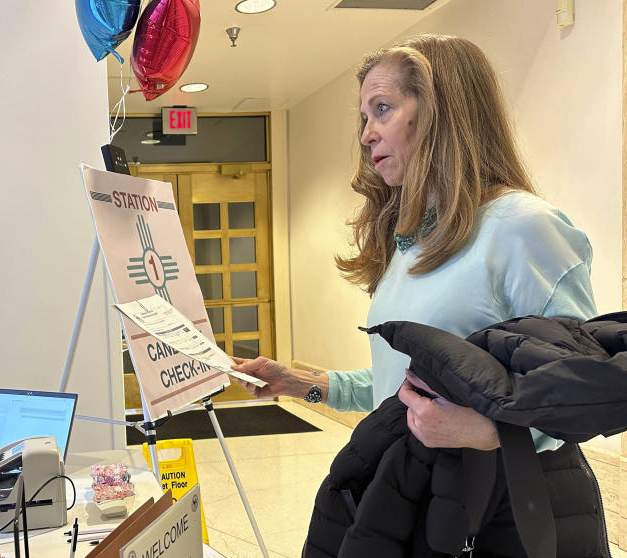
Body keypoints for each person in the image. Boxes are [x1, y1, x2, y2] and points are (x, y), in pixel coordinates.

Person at [232, 34, 595, 453]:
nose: (366, 135)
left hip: (494, 507)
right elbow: (401, 385)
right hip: (416, 497)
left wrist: (488, 432)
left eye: (382, 110)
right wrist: (300, 383)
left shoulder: (523, 227)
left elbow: (583, 394)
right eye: (365, 118)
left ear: (442, 112)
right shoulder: (415, 239)